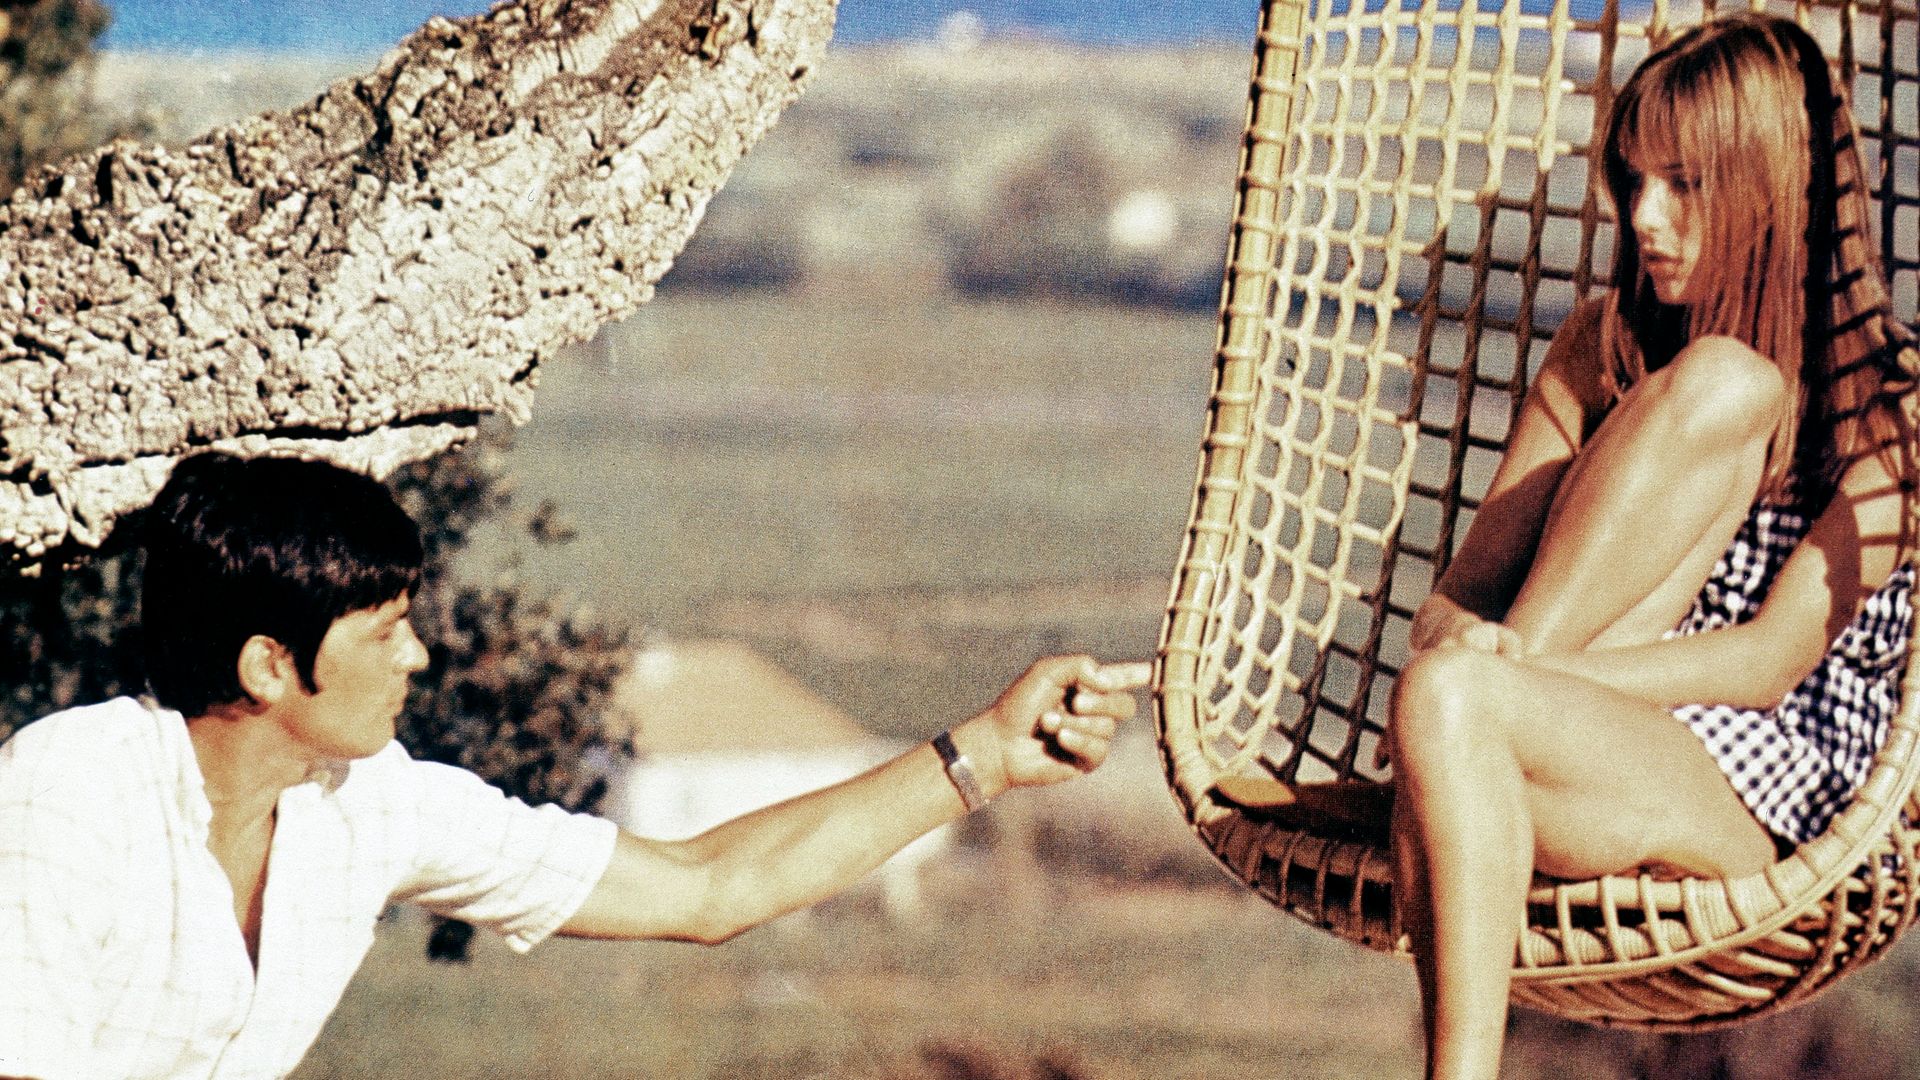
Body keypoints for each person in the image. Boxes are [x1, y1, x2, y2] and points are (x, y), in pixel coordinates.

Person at [1230, 13, 1918, 1080]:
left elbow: (1771, 658)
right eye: (1632, 181)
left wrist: (1528, 667)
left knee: (1729, 383)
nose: (1645, 218)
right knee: (1448, 695)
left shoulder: (1889, 408)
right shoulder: (1603, 348)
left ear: (1770, 191)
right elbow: (1451, 608)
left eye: (1684, 185)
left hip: (1762, 797)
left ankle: (1440, 760)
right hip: (1581, 733)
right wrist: (1488, 661)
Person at [0, 451, 1150, 1080]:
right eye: (383, 629)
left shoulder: (368, 804)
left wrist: (983, 756)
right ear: (267, 666)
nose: (420, 653)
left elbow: (707, 889)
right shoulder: (70, 795)